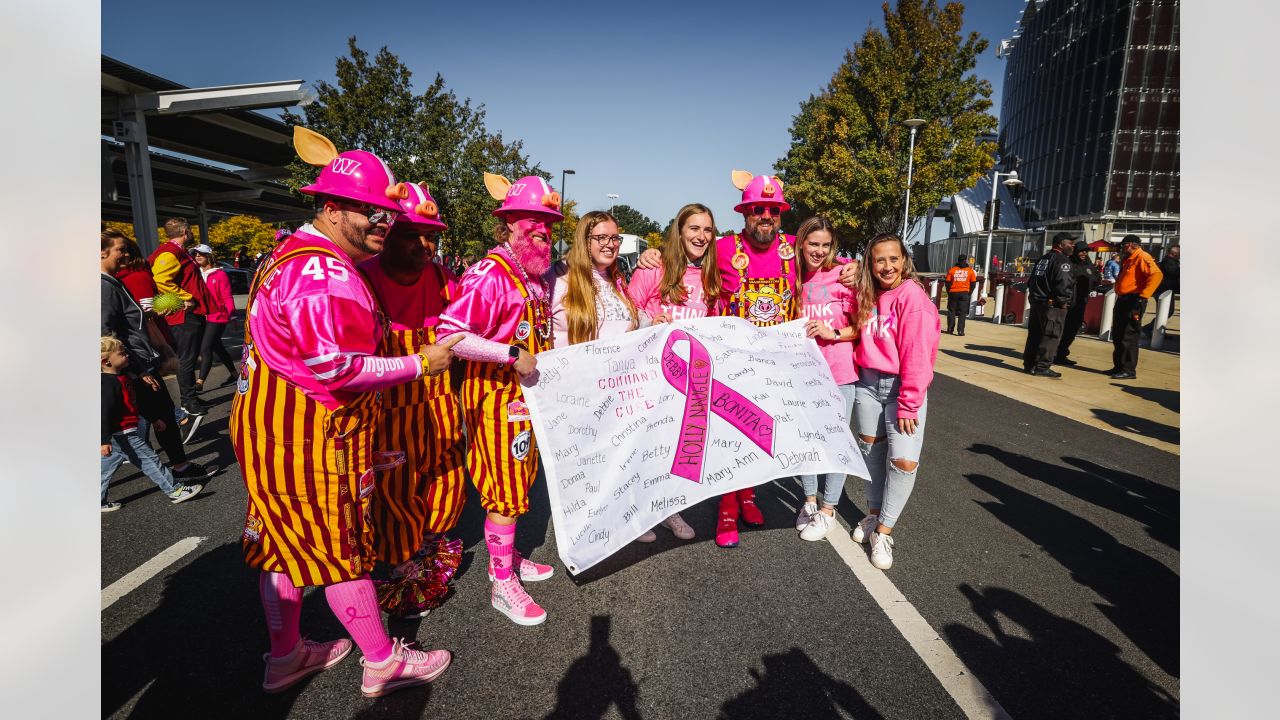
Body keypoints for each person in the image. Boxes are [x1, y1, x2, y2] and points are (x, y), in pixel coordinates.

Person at [230, 126, 458, 697]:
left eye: (387, 214)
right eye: (370, 212)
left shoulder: (290, 253)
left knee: (281, 545)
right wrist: (420, 365)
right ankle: (381, 660)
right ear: (331, 208)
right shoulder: (324, 273)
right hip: (310, 438)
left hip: (270, 428)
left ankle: (286, 656)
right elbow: (337, 368)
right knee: (341, 551)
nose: (384, 223)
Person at [436, 172, 561, 626]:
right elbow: (448, 336)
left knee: (519, 484)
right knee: (503, 493)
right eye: (530, 219)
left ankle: (509, 559)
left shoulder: (537, 273)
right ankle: (500, 583)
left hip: (524, 402)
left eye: (548, 221)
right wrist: (510, 354)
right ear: (507, 223)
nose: (541, 228)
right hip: (493, 400)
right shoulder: (491, 273)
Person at [551, 210, 696, 544]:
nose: (609, 244)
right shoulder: (561, 276)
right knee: (597, 463)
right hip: (584, 388)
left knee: (641, 450)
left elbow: (627, 321)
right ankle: (606, 527)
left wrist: (651, 321)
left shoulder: (616, 278)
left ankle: (655, 509)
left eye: (614, 238)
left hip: (623, 384)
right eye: (600, 237)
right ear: (584, 240)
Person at [358, 182, 468, 619]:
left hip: (442, 410)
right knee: (396, 502)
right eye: (413, 234)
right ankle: (401, 577)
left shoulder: (446, 281)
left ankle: (427, 557)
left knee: (448, 488)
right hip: (388, 417)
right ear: (388, 233)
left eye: (432, 237)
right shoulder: (363, 279)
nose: (425, 246)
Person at [847, 233, 939, 570]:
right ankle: (873, 515)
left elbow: (918, 354)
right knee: (871, 449)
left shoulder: (911, 296)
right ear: (869, 263)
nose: (887, 266)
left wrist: (909, 402)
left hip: (902, 388)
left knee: (904, 462)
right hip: (867, 384)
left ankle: (884, 531)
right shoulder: (867, 293)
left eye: (893, 259)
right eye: (879, 260)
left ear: (904, 261)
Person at [102, 229, 215, 474]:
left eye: (127, 250)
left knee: (153, 419)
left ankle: (177, 467)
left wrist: (148, 314)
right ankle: (175, 474)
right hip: (134, 364)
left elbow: (121, 324)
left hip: (137, 362)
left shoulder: (113, 282)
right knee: (144, 424)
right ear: (102, 252)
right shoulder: (105, 286)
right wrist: (136, 370)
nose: (126, 255)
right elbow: (106, 334)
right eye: (122, 250)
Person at [797, 217, 858, 541]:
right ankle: (809, 502)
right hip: (803, 372)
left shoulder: (846, 273)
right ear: (801, 243)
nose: (819, 251)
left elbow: (861, 324)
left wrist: (831, 332)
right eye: (813, 243)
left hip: (839, 373)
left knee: (834, 444)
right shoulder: (791, 275)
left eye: (825, 244)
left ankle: (828, 510)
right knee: (806, 440)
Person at [101, 336, 203, 510]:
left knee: (105, 469)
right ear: (106, 361)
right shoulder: (107, 385)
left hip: (122, 435)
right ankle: (174, 490)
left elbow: (135, 405)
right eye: (121, 353)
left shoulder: (123, 378)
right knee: (150, 461)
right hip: (124, 434)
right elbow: (103, 413)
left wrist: (153, 419)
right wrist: (103, 440)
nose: (127, 355)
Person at [149, 218, 216, 421]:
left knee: (189, 357)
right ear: (185, 231)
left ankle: (190, 397)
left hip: (187, 315)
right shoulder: (171, 252)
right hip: (184, 316)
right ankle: (188, 401)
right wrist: (185, 298)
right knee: (187, 359)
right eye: (191, 230)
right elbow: (160, 278)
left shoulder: (177, 251)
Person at [627, 202, 722, 324]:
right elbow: (628, 310)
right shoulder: (652, 266)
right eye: (694, 229)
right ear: (680, 232)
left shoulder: (712, 276)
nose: (702, 237)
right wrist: (649, 324)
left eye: (708, 230)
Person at [1022, 233, 1077, 378]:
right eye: (1070, 243)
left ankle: (1029, 364)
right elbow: (1063, 283)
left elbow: (1032, 281)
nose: (1073, 246)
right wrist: (1064, 302)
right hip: (1052, 305)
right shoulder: (1062, 261)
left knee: (1035, 334)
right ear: (1060, 245)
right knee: (1051, 336)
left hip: (1037, 302)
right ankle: (1042, 367)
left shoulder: (1042, 259)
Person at [1108, 235, 1163, 380]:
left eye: (1124, 245)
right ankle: (1119, 366)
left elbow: (1157, 275)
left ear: (1132, 244)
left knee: (1129, 335)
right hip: (1124, 299)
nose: (1122, 248)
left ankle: (1128, 369)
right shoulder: (1130, 258)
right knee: (1118, 334)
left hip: (1133, 300)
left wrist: (1143, 296)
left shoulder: (1142, 257)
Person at [190, 244, 239, 391]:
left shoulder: (220, 275)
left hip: (218, 316)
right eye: (195, 254)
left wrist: (233, 317)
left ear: (209, 256)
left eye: (201, 254)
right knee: (218, 348)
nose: (197, 256)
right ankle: (235, 374)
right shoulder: (196, 274)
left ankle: (200, 382)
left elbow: (227, 297)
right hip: (202, 316)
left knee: (205, 347)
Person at [1054, 241, 1101, 366]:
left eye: (1086, 251)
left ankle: (1062, 353)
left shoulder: (1089, 265)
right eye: (1081, 251)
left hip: (1081, 302)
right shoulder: (1068, 263)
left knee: (1073, 329)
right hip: (1068, 303)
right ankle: (1055, 353)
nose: (1084, 253)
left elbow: (1096, 279)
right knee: (1062, 329)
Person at [943, 253, 977, 336]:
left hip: (953, 293)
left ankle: (950, 329)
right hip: (965, 293)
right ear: (965, 260)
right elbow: (973, 284)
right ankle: (960, 331)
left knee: (952, 311)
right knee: (962, 313)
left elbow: (947, 283)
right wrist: (969, 293)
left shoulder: (952, 270)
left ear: (958, 260)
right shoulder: (970, 271)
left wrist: (949, 292)